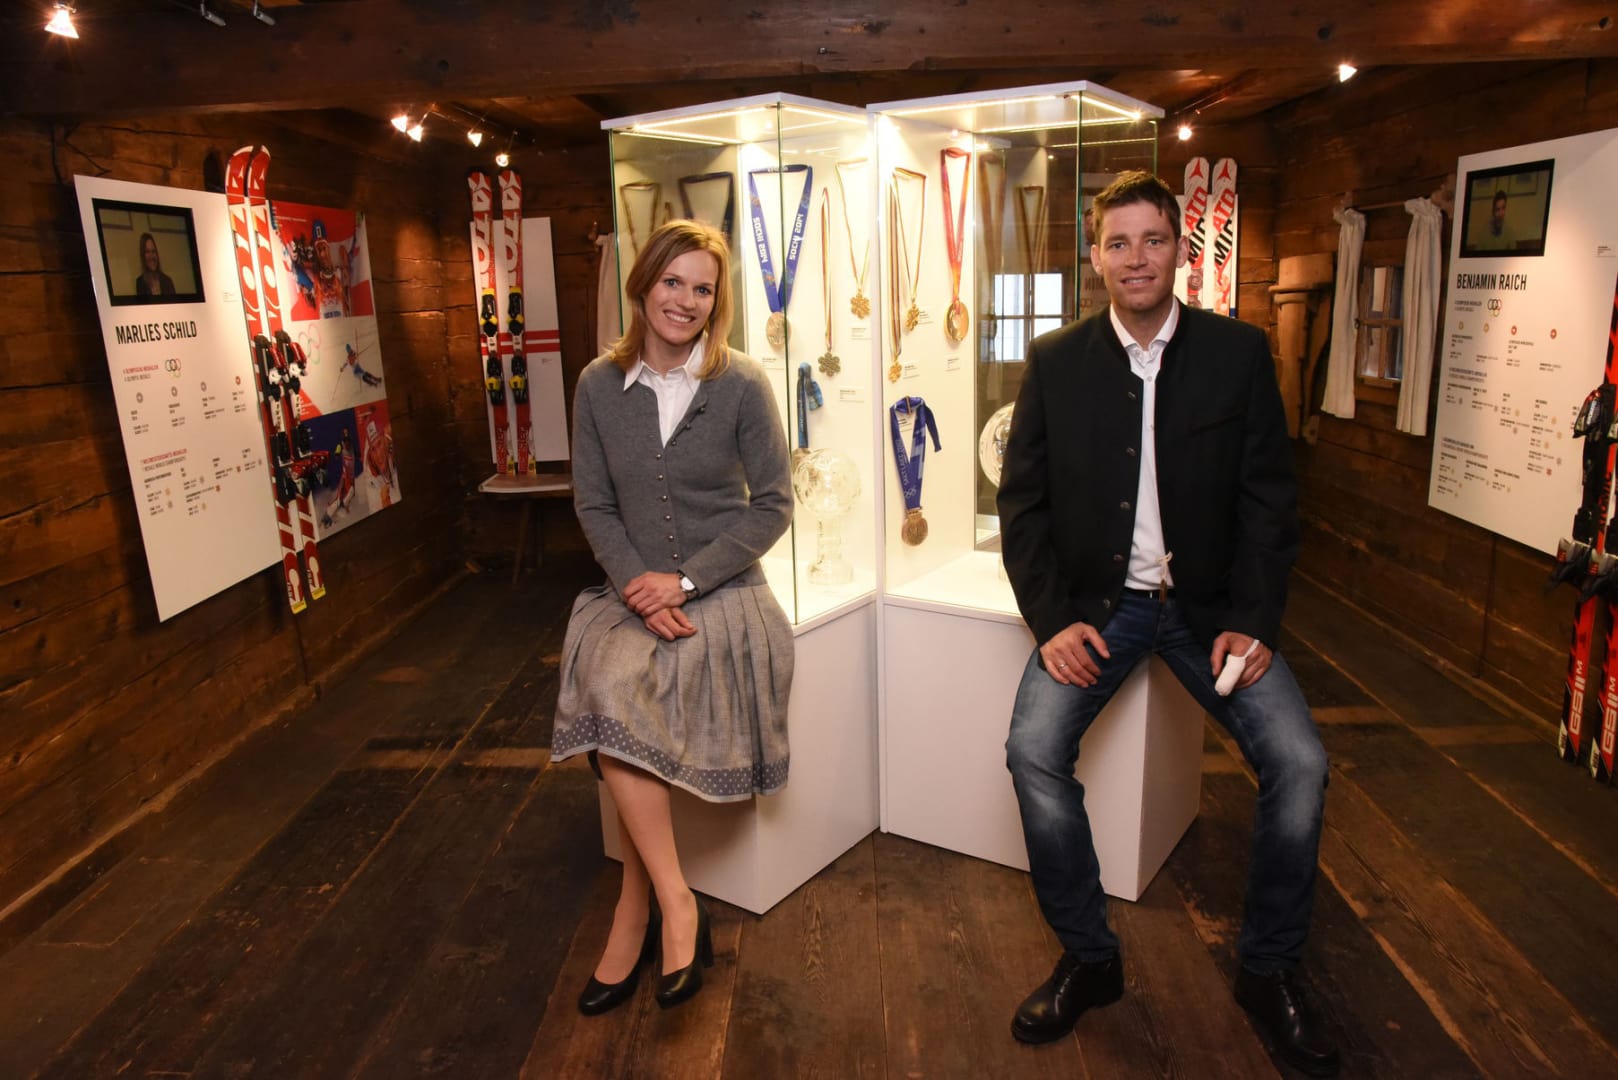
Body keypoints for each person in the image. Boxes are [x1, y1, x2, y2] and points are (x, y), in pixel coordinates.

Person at [997, 171, 1337, 1076]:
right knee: (1032, 752)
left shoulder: (1237, 352)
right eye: (1119, 243)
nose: (1136, 258)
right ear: (1096, 257)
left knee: (1300, 762)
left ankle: (1268, 968)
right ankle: (1090, 957)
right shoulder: (1056, 362)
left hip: (1208, 613)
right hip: (1098, 612)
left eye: (1152, 239)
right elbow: (1021, 506)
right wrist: (1051, 621)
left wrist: (1253, 620)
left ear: (1179, 250)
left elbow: (1270, 501)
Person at [553, 219, 794, 1015]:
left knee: (624, 697)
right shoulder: (597, 384)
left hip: (722, 588)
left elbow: (774, 506)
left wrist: (683, 582)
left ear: (716, 303)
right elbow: (594, 504)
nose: (686, 301)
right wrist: (639, 587)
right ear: (643, 284)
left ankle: (637, 908)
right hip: (633, 589)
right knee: (610, 684)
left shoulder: (742, 383)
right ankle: (670, 899)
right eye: (672, 282)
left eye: (703, 289)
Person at [133, 232, 176, 300]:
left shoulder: (167, 281)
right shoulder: (140, 283)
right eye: (147, 252)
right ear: (142, 255)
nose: (152, 256)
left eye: (153, 251)